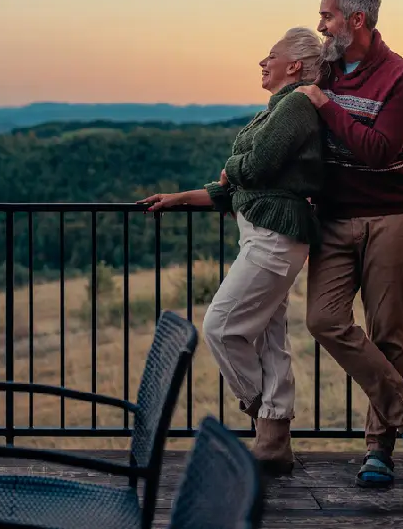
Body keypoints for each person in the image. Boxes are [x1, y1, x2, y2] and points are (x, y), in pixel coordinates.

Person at [138, 26, 324, 475]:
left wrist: (231, 169)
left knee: (220, 326)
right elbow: (242, 185)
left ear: (294, 65)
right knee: (270, 338)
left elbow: (253, 167)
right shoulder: (280, 109)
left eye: (271, 55)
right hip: (267, 236)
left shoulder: (296, 104)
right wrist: (182, 198)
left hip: (274, 240)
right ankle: (274, 447)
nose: (263, 62)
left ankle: (268, 422)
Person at [296, 0, 403, 489]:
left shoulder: (402, 76)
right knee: (323, 319)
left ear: (356, 20)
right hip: (334, 218)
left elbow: (380, 149)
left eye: (328, 15)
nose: (321, 24)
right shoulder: (324, 70)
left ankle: (378, 452)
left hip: (390, 215)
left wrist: (325, 106)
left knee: (387, 333)